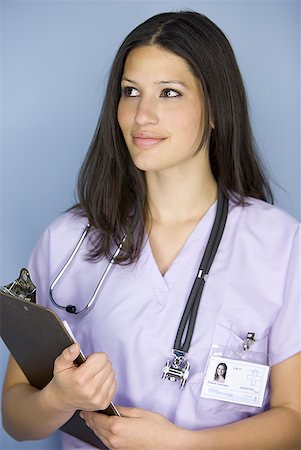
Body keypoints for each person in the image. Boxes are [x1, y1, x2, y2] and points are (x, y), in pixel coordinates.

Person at [2, 10, 301, 450]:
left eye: (169, 93)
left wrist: (184, 446)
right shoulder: (68, 240)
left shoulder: (280, 243)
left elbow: (294, 420)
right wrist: (58, 398)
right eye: (131, 92)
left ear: (216, 109)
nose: (143, 114)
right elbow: (15, 418)